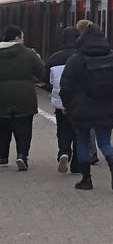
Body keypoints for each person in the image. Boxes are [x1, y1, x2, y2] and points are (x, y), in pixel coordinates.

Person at [59, 25, 113, 191]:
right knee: (104, 142)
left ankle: (86, 180)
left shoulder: (76, 59)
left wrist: (66, 105)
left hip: (82, 110)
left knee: (83, 142)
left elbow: (65, 85)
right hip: (107, 107)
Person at [0, 23, 46, 170]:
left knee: (3, 128)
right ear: (18, 37)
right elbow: (42, 74)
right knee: (24, 129)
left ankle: (2, 157)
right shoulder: (29, 54)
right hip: (25, 97)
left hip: (2, 97)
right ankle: (22, 155)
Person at [45, 25, 81, 172]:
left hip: (61, 102)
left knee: (63, 129)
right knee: (79, 133)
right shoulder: (82, 56)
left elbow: (45, 78)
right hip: (80, 102)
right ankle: (77, 164)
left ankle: (64, 152)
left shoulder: (54, 57)